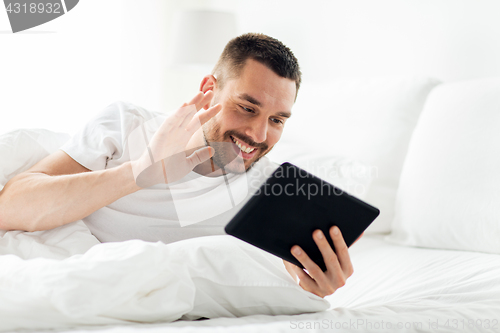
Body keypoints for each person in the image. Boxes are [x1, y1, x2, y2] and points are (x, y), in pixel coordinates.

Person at [0, 33, 354, 298]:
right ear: (208, 88)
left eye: (277, 120)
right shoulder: (127, 125)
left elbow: (271, 281)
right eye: (247, 108)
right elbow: (11, 206)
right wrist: (140, 172)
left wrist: (310, 287)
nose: (258, 134)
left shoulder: (270, 192)